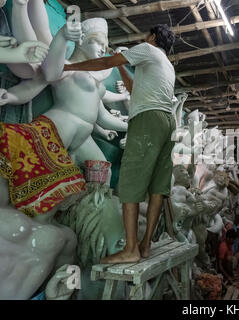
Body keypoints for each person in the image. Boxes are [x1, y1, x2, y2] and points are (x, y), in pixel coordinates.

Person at [64, 24, 176, 263]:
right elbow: (134, 90)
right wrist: (123, 66)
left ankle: (131, 250)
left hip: (147, 119)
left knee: (130, 182)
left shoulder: (147, 48)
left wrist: (69, 66)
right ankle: (145, 245)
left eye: (146, 35)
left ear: (153, 37)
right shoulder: (166, 64)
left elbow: (105, 63)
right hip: (167, 122)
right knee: (157, 187)